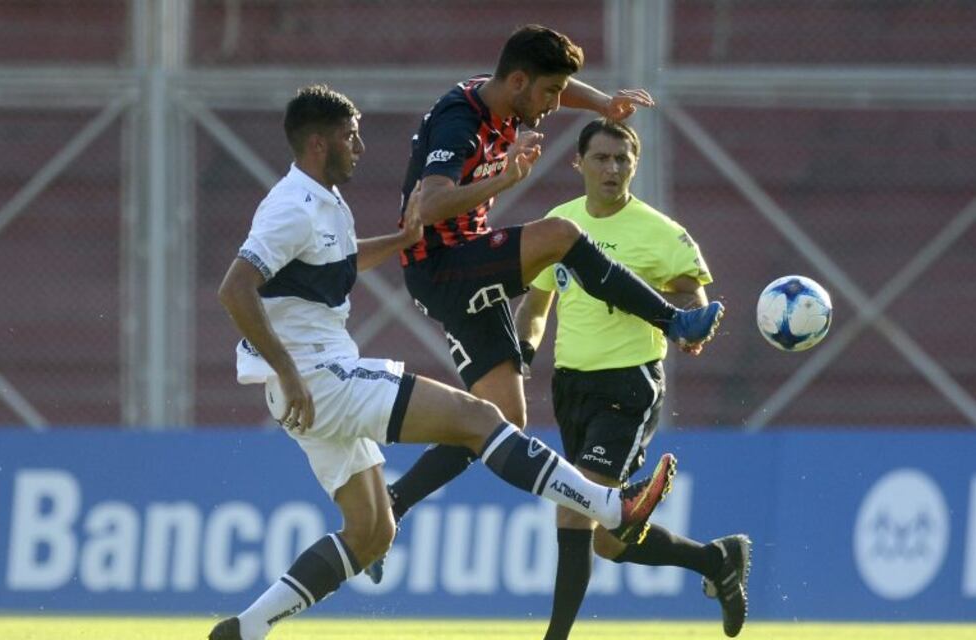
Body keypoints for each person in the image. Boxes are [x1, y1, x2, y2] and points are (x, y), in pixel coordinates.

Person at [208, 85, 678, 640]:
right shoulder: (291, 206)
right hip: (317, 378)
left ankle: (245, 629)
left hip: (309, 385)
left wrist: (403, 238)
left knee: (371, 532)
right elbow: (235, 288)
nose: (359, 145)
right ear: (317, 143)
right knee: (481, 419)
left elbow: (338, 261)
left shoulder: (322, 199)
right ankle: (610, 506)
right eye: (348, 135)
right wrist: (288, 370)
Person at [373, 24, 724, 578]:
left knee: (499, 421)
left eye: (563, 92)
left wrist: (604, 101)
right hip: (443, 266)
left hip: (461, 267)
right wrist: (503, 180)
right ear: (517, 81)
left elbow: (554, 89)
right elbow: (433, 204)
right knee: (561, 235)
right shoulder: (460, 120)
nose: (558, 105)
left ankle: (391, 507)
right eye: (551, 93)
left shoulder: (509, 100)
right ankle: (674, 322)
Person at [514, 118, 751, 639]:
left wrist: (693, 328)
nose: (612, 169)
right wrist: (524, 350)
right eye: (601, 158)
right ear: (578, 163)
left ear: (634, 166)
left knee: (572, 509)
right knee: (608, 540)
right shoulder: (560, 222)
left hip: (629, 385)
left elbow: (693, 300)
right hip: (570, 387)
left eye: (622, 160)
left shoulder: (660, 232)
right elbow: (536, 305)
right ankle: (717, 561)